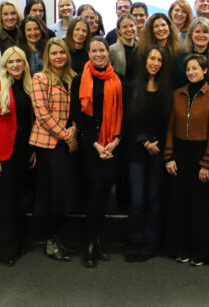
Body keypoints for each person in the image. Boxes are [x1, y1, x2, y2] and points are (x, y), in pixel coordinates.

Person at [70, 37, 124, 268]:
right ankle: (90, 243)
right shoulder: (78, 80)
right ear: (89, 53)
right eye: (94, 50)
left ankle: (98, 240)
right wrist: (96, 144)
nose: (98, 54)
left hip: (112, 146)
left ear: (108, 53)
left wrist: (114, 142)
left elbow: (124, 113)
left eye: (102, 50)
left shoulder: (118, 80)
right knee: (92, 193)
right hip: (90, 146)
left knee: (103, 194)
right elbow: (78, 116)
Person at [164, 54, 209, 266]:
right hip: (179, 153)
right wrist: (169, 157)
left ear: (205, 70)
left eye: (195, 68)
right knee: (179, 204)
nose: (191, 72)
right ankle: (181, 248)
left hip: (201, 154)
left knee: (201, 206)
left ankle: (201, 251)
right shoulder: (177, 94)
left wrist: (206, 163)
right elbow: (170, 127)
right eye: (188, 68)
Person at [0, 47, 35, 266]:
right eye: (10, 62)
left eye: (19, 61)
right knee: (5, 202)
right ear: (4, 65)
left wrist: (33, 150)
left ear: (25, 64)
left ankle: (18, 242)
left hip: (25, 151)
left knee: (21, 200)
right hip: (4, 153)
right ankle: (5, 249)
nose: (15, 65)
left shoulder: (30, 87)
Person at [30, 38, 78, 263]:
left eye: (62, 52)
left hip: (68, 142)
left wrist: (73, 132)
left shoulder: (74, 78)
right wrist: (66, 136)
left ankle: (60, 237)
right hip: (48, 144)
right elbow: (42, 114)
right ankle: (50, 241)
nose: (58, 56)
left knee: (63, 194)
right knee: (49, 194)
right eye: (54, 53)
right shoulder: (40, 78)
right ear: (47, 57)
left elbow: (79, 110)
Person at [125, 47, 172, 262]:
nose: (155, 62)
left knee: (154, 199)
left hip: (158, 151)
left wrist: (157, 144)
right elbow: (129, 120)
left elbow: (168, 123)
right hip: (137, 150)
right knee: (137, 199)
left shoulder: (167, 90)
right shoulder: (133, 87)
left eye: (159, 60)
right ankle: (134, 242)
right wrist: (144, 141)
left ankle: (151, 243)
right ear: (145, 61)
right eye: (152, 58)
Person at [177, 17, 209, 90]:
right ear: (191, 35)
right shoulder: (182, 57)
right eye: (197, 31)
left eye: (205, 32)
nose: (201, 35)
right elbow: (179, 83)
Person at [137, 12, 183, 77]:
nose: (161, 29)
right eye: (156, 26)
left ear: (169, 28)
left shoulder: (178, 51)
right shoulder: (142, 50)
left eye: (163, 25)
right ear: (151, 30)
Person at [109, 13, 139, 81]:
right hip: (120, 89)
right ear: (119, 30)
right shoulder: (112, 50)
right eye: (125, 27)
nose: (129, 29)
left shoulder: (142, 48)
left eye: (131, 25)